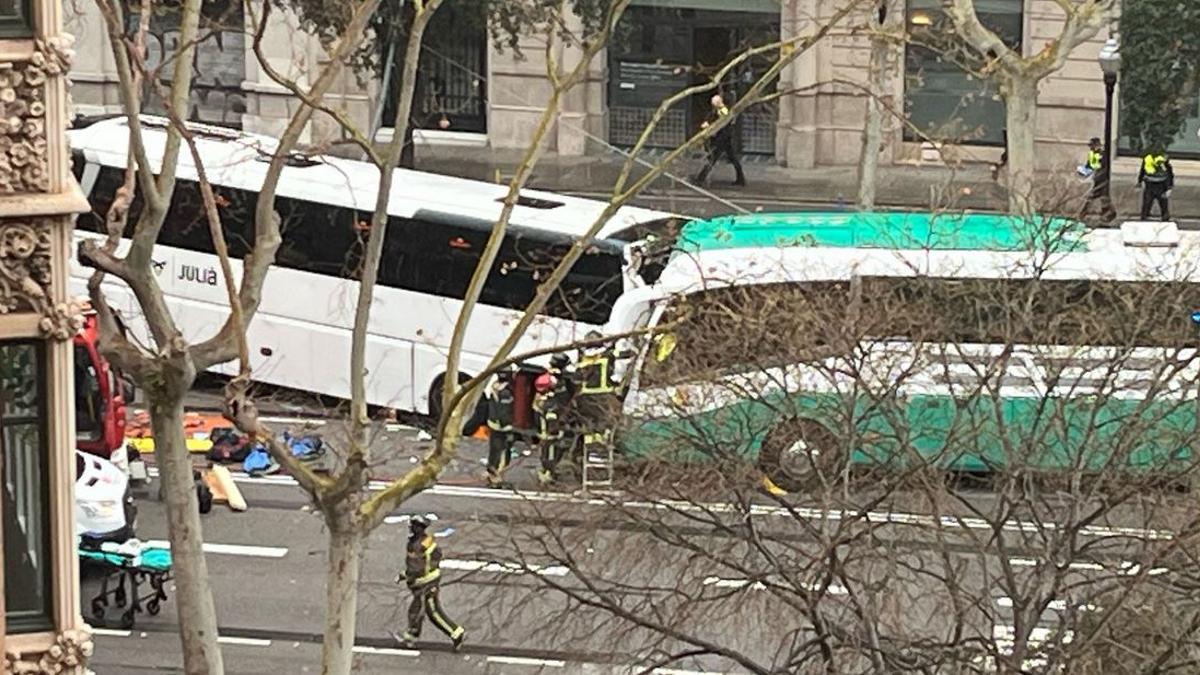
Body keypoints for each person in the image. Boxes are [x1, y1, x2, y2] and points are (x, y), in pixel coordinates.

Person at [394, 515, 465, 649]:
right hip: (430, 580)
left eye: (413, 526)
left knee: (432, 612)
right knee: (418, 609)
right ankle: (412, 635)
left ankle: (456, 633)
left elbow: (415, 568)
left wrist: (406, 575)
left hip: (425, 584)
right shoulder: (427, 541)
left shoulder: (416, 546)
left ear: (418, 528)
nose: (410, 528)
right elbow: (435, 557)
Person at [694, 94, 746, 187]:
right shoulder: (718, 110)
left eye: (714, 104)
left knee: (713, 158)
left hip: (722, 138)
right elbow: (712, 118)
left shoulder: (724, 110)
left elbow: (721, 120)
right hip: (724, 138)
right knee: (732, 158)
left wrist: (709, 124)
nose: (713, 106)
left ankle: (700, 178)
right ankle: (741, 179)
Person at [485, 369, 515, 488]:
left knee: (494, 450)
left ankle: (491, 473)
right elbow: (504, 411)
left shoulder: (494, 386)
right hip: (504, 428)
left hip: (493, 424)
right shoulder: (506, 392)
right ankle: (497, 478)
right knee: (503, 452)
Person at [533, 373, 565, 485]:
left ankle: (547, 473)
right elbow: (552, 420)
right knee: (551, 455)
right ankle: (548, 475)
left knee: (545, 454)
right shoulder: (550, 403)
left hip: (543, 433)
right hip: (551, 435)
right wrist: (557, 431)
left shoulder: (538, 400)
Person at [1079, 137, 1116, 222]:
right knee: (1103, 198)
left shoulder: (1103, 154)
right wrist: (1082, 172)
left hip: (1103, 179)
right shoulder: (1093, 154)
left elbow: (1105, 168)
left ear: (1097, 145)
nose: (1091, 147)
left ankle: (1083, 214)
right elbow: (1090, 167)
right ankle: (1107, 215)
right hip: (1097, 179)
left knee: (1097, 197)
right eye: (1090, 146)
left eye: (1092, 145)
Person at [1138, 150, 1174, 221]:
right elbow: (1169, 172)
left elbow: (1169, 172)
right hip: (1153, 184)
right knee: (1149, 204)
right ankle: (1146, 216)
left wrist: (1169, 186)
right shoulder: (1150, 158)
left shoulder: (1161, 159)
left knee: (1161, 204)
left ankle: (1163, 217)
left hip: (1159, 184)